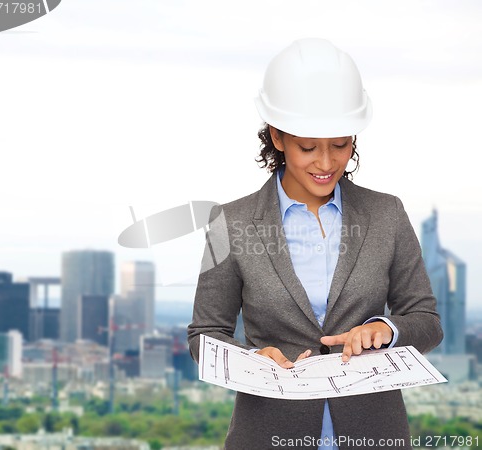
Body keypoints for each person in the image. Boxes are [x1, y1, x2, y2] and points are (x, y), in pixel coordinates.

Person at [187, 38, 443, 450]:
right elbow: (205, 334)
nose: (326, 164)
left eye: (340, 145)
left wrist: (385, 329)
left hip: (374, 433)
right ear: (277, 136)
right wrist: (251, 361)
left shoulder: (386, 214)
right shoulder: (230, 222)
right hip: (266, 434)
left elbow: (425, 319)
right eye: (308, 147)